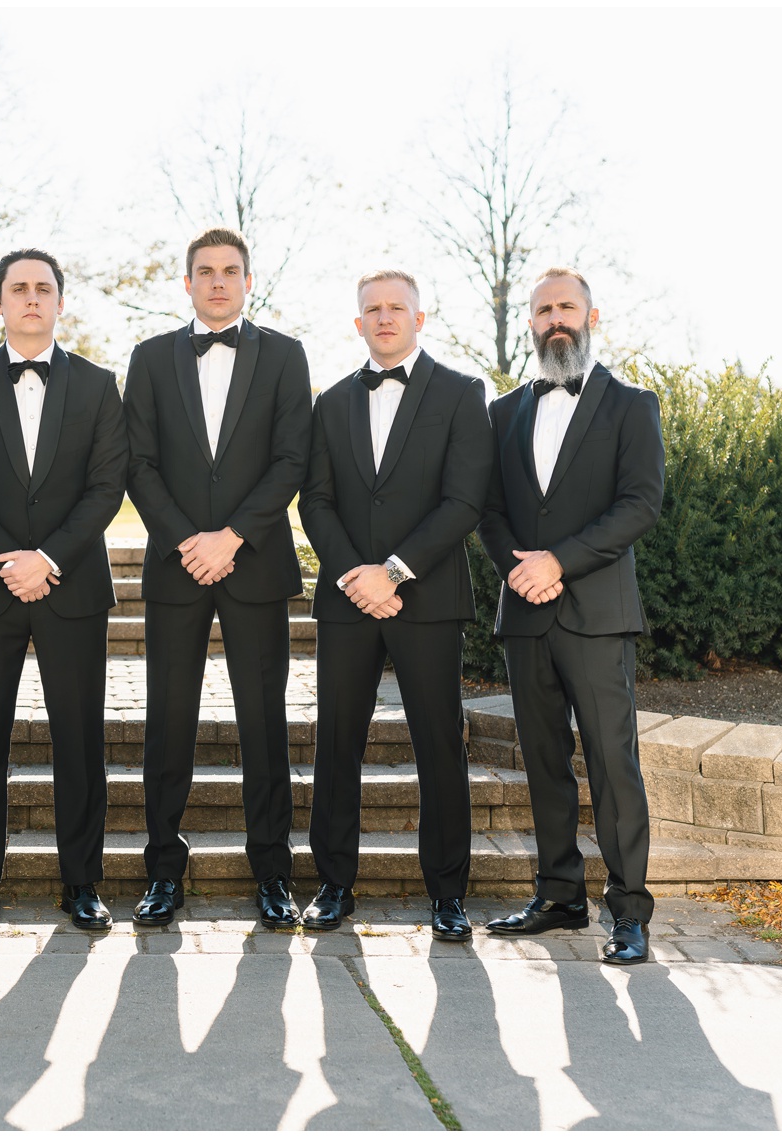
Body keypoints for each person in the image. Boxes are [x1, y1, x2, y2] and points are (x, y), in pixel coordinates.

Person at [122, 227, 312, 929]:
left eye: (231, 271)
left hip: (255, 563)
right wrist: (186, 541)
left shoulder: (287, 357)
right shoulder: (147, 359)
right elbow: (137, 464)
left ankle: (273, 874)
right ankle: (162, 875)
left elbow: (292, 459)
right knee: (167, 723)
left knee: (264, 723)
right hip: (176, 569)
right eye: (205, 272)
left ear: (248, 280)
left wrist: (230, 538)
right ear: (187, 283)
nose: (219, 282)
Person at [0, 249, 129, 932]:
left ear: (61, 302)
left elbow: (108, 487)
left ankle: (82, 881)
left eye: (44, 288)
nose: (32, 298)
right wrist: (7, 560)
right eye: (19, 288)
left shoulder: (101, 386)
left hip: (70, 587)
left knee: (79, 738)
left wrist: (47, 558)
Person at [477, 267, 665, 965]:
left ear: (590, 315)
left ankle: (630, 911)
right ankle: (559, 894)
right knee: (544, 763)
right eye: (543, 309)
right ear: (530, 321)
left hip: (597, 612)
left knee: (615, 764)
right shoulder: (500, 414)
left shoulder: (633, 405)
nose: (555, 317)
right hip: (524, 614)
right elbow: (488, 510)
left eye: (567, 306)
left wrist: (559, 561)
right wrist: (520, 570)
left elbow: (640, 504)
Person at [298, 270, 494, 936]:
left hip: (428, 596)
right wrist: (357, 573)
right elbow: (315, 501)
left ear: (419, 317)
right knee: (336, 742)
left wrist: (395, 571)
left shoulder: (463, 394)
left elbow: (463, 501)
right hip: (347, 597)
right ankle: (333, 882)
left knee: (439, 742)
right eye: (372, 310)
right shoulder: (330, 404)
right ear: (358, 323)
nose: (384, 318)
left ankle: (447, 892)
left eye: (396, 308)